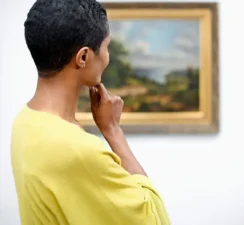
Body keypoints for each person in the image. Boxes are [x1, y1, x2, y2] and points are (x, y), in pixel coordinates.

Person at [10, 0, 170, 224]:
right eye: (106, 47)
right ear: (83, 57)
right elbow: (155, 218)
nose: (107, 56)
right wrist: (113, 130)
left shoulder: (25, 121)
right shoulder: (78, 151)